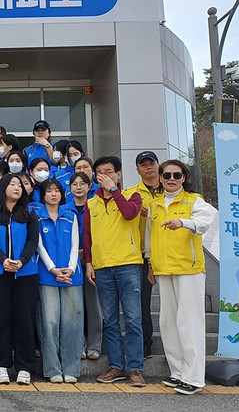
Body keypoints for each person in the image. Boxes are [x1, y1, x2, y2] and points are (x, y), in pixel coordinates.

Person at [147, 159, 218, 396]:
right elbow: (149, 236)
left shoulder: (194, 200)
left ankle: (194, 377)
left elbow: (205, 222)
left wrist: (183, 222)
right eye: (166, 175)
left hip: (188, 269)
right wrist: (150, 263)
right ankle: (177, 372)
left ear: (184, 178)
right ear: (160, 177)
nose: (171, 179)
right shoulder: (155, 204)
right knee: (168, 323)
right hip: (163, 268)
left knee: (189, 322)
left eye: (176, 175)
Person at [84, 156, 145, 387]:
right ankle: (117, 366)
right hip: (102, 267)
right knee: (109, 320)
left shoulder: (132, 196)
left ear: (118, 174)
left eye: (109, 171)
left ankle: (136, 368)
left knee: (133, 319)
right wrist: (89, 262)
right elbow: (87, 235)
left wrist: (113, 190)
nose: (104, 175)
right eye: (99, 172)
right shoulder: (92, 203)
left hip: (128, 264)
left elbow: (129, 214)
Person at [0, 174, 39, 385]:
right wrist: (3, 259)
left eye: (20, 185)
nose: (17, 188)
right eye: (13, 184)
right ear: (3, 187)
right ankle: (1, 365)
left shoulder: (29, 213)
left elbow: (33, 240)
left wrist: (22, 261)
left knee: (25, 319)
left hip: (25, 273)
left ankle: (24, 367)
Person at [32, 179, 83, 384]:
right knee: (49, 322)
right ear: (43, 194)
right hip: (47, 275)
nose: (53, 194)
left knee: (73, 321)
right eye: (49, 191)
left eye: (57, 191)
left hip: (71, 275)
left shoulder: (70, 215)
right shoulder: (36, 216)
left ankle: (71, 368)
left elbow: (75, 244)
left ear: (62, 194)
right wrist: (52, 269)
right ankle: (52, 368)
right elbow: (38, 245)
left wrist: (70, 268)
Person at [126, 151, 163, 360]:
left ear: (158, 165)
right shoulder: (131, 194)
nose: (148, 167)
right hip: (141, 255)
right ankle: (145, 345)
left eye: (152, 163)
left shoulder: (171, 190)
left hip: (169, 254)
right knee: (142, 303)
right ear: (138, 170)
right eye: (144, 164)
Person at [65, 171, 102, 361]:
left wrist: (87, 253)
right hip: (70, 262)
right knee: (73, 305)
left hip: (92, 260)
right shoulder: (64, 209)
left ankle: (95, 345)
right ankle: (78, 344)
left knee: (93, 305)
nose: (78, 187)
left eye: (82, 184)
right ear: (70, 188)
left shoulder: (96, 206)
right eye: (74, 184)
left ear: (89, 187)